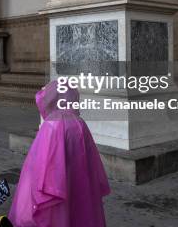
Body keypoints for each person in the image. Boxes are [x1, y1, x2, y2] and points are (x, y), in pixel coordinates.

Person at [8, 80, 110, 226]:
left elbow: (42, 167)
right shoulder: (80, 123)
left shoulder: (52, 124)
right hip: (79, 184)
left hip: (56, 189)